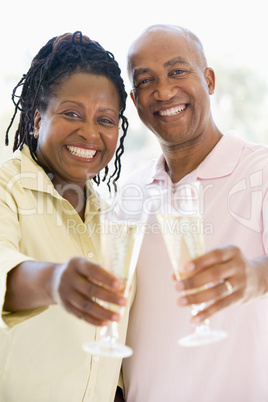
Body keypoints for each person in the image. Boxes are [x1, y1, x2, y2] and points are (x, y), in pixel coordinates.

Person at [116, 24, 268, 401]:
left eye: (177, 71)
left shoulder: (260, 170)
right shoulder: (129, 194)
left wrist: (256, 275)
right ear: (135, 102)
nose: (164, 91)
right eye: (146, 80)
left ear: (210, 80)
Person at [0, 31, 130, 402]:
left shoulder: (111, 219)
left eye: (106, 120)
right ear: (37, 119)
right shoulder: (7, 187)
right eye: (71, 113)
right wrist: (54, 281)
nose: (90, 133)